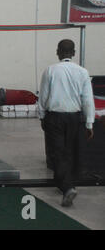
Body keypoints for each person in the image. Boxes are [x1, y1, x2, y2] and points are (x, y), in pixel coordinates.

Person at [38, 39, 95, 207]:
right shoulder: (83, 72)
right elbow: (87, 100)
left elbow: (43, 96)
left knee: (58, 152)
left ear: (58, 52)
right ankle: (65, 183)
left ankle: (67, 187)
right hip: (74, 117)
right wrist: (89, 123)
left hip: (54, 117)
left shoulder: (50, 71)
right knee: (70, 151)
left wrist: (41, 116)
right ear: (74, 53)